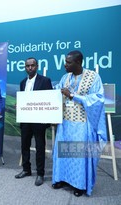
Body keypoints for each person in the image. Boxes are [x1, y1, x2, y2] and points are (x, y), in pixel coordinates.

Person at [52, 50, 107, 196]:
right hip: (65, 123)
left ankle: (79, 185)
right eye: (65, 61)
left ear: (78, 62)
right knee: (63, 152)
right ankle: (62, 178)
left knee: (78, 154)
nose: (65, 65)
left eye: (68, 62)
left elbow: (98, 99)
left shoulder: (93, 77)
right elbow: (57, 92)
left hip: (83, 124)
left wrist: (73, 96)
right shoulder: (65, 77)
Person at [15, 57, 52, 186]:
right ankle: (26, 169)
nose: (30, 68)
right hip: (25, 119)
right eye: (27, 66)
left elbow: (49, 100)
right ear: (25, 67)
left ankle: (40, 173)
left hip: (39, 120)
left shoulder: (45, 81)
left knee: (40, 147)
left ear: (37, 66)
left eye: (32, 65)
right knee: (24, 145)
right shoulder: (22, 82)